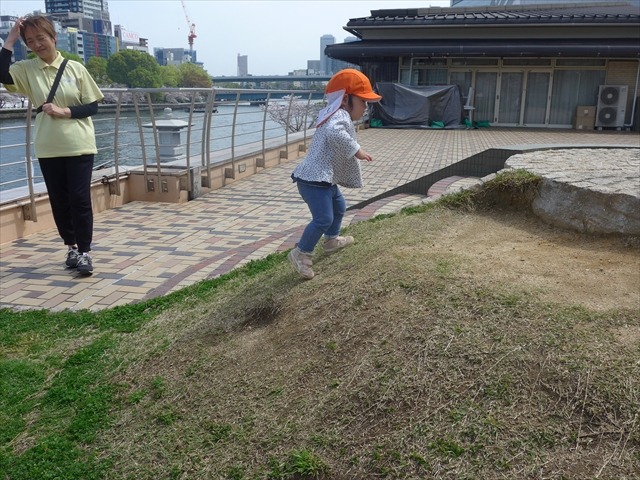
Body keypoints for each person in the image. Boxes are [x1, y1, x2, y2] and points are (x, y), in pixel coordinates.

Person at [0, 15, 104, 275]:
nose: (37, 45)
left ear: (54, 38)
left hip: (79, 144)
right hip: (48, 146)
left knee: (79, 199)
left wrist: (65, 111)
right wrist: (10, 41)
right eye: (30, 41)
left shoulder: (75, 68)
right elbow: (2, 74)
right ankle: (71, 247)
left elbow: (92, 106)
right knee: (59, 200)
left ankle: (85, 252)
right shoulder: (26, 69)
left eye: (41, 38)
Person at [288, 69, 382, 279]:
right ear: (346, 99)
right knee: (323, 218)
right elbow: (334, 132)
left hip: (323, 180)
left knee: (339, 207)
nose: (366, 107)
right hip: (314, 180)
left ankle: (331, 240)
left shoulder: (334, 114)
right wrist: (357, 150)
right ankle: (301, 253)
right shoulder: (339, 114)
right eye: (363, 101)